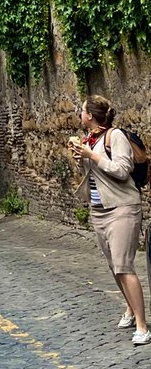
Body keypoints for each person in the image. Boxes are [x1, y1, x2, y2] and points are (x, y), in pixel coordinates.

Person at [71, 94, 149, 345]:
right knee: (114, 267)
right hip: (99, 209)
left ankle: (142, 326)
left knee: (124, 266)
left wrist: (91, 155)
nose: (79, 114)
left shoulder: (115, 136)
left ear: (90, 115)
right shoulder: (90, 139)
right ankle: (130, 308)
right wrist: (80, 158)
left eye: (82, 110)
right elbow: (95, 175)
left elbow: (121, 169)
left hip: (122, 208)